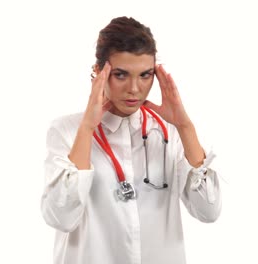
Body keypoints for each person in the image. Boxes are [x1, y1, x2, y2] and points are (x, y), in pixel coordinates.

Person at [41, 16, 222, 264]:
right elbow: (60, 217)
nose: (135, 88)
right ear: (98, 72)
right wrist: (87, 127)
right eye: (121, 75)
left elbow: (208, 211)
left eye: (145, 75)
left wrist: (185, 126)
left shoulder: (170, 132)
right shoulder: (67, 130)